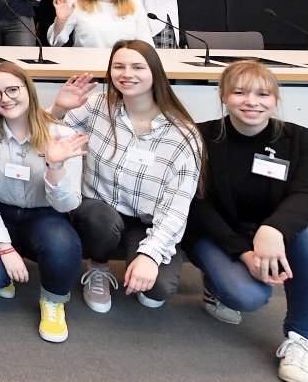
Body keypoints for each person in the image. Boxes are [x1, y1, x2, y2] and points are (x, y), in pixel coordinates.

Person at [187, 61, 308, 382]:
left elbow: (307, 195)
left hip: (271, 232)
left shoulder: (299, 139)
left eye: (263, 94)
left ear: (275, 98)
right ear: (223, 95)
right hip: (217, 234)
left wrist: (273, 230)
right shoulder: (200, 136)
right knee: (249, 296)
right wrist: (243, 252)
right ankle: (215, 284)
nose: (252, 102)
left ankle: (301, 340)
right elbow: (199, 206)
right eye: (239, 92)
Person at [50, 40, 203, 313]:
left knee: (156, 292)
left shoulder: (182, 133)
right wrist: (59, 110)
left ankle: (144, 258)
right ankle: (98, 265)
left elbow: (177, 207)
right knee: (100, 221)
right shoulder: (98, 106)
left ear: (155, 72)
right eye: (118, 66)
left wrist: (150, 256)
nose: (126, 74)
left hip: (148, 221)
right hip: (102, 211)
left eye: (137, 67)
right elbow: (47, 137)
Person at [0, 62, 87, 342]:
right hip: (0, 213)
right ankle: (7, 265)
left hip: (44, 215)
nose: (5, 98)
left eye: (12, 89)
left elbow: (68, 205)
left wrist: (55, 167)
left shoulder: (62, 135)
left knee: (62, 245)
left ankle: (53, 301)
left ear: (28, 90)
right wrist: (5, 248)